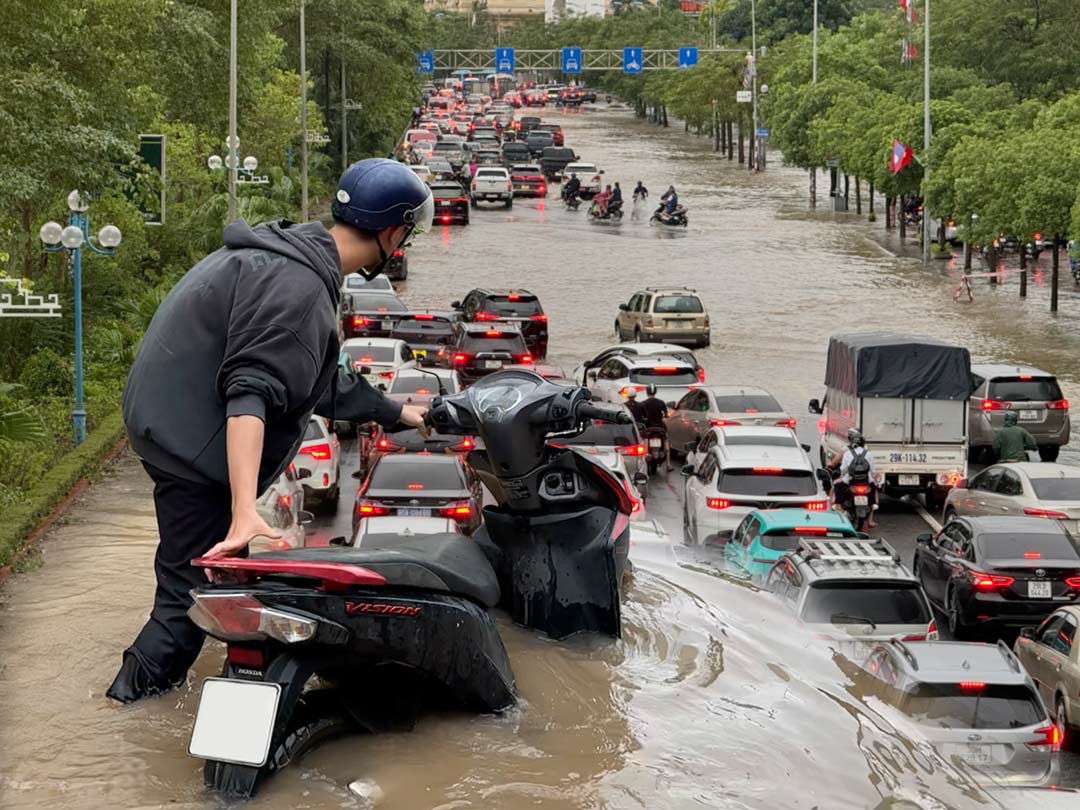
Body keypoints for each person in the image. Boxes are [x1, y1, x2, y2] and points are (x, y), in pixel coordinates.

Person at [107, 158, 434, 704]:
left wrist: (400, 414)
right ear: (393, 232)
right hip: (193, 453)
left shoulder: (288, 256)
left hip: (171, 432)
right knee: (184, 604)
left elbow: (315, 377)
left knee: (191, 589)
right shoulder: (301, 285)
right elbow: (251, 393)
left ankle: (140, 708)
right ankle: (124, 712)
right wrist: (242, 509)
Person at [828, 428, 878, 528]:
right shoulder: (868, 453)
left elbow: (843, 470)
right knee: (874, 489)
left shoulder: (847, 453)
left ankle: (837, 505)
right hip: (866, 482)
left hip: (850, 482)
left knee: (837, 485)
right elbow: (873, 471)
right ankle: (873, 506)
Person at [640, 384, 672, 471]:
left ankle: (642, 459)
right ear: (655, 392)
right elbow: (666, 415)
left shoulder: (643, 403)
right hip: (660, 428)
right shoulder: (661, 402)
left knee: (641, 441)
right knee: (666, 440)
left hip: (648, 428)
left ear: (647, 392)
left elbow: (641, 416)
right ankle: (668, 464)